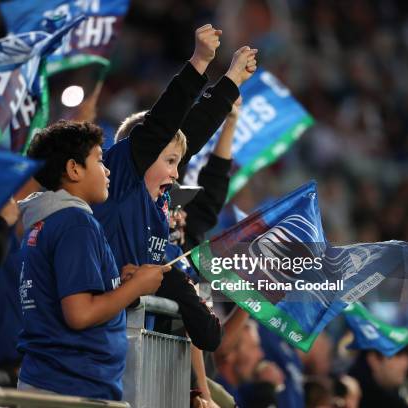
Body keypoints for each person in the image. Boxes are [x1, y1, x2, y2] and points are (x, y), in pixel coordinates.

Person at [17, 120, 169, 400]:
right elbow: (80, 314)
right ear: (74, 169)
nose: (108, 169)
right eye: (99, 160)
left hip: (57, 382)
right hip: (70, 388)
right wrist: (136, 288)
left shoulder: (48, 220)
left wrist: (118, 284)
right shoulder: (76, 223)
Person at [93, 24, 257, 275]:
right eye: (170, 161)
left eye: (176, 162)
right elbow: (161, 128)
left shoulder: (160, 206)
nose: (177, 172)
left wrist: (233, 80)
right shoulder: (121, 185)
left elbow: (188, 142)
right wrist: (200, 60)